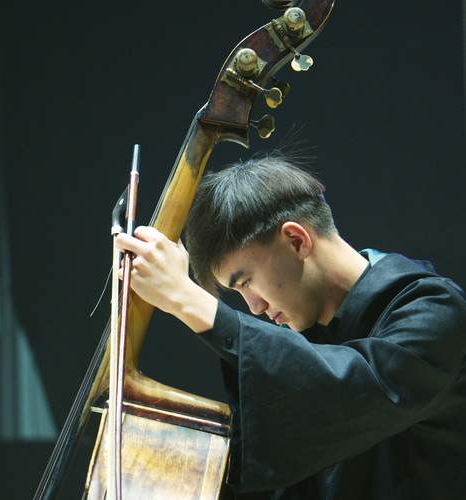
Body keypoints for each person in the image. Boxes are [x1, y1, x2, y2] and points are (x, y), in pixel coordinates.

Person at [115, 153, 466, 500]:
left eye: (246, 281)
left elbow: (352, 390)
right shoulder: (297, 343)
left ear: (297, 240)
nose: (254, 307)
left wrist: (188, 300)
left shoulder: (435, 310)